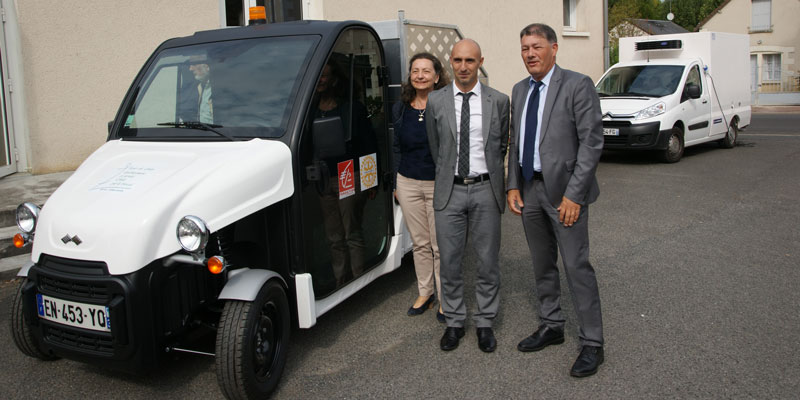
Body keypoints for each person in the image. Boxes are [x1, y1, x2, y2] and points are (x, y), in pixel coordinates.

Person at [506, 23, 605, 377]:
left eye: (536, 46)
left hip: (565, 193)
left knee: (576, 266)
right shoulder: (519, 90)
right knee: (542, 263)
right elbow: (516, 142)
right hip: (531, 190)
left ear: (554, 47)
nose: (530, 54)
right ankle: (552, 325)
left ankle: (592, 342)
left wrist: (574, 196)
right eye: (524, 48)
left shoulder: (577, 85)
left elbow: (591, 143)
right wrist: (513, 185)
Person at [425, 39, 509, 352]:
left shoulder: (499, 101)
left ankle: (485, 322)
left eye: (470, 61)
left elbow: (500, 147)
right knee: (449, 261)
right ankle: (455, 322)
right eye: (458, 60)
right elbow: (437, 148)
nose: (463, 67)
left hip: (486, 189)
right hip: (450, 190)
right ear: (451, 61)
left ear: (480, 62)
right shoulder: (436, 101)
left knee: (487, 261)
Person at [392, 53, 449, 322]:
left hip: (438, 183)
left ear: (437, 77)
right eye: (415, 70)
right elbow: (395, 147)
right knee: (420, 243)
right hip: (408, 183)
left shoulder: (445, 106)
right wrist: (395, 182)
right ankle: (425, 293)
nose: (420, 75)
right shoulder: (401, 108)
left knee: (440, 245)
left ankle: (446, 297)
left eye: (426, 71)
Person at [312, 59, 375, 287]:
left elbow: (369, 144)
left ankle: (359, 281)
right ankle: (341, 280)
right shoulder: (309, 109)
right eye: (317, 76)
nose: (320, 80)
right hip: (322, 178)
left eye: (324, 76)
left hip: (348, 172)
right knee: (333, 237)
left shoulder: (351, 108)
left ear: (335, 79)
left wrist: (370, 182)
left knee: (351, 232)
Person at [188, 56, 213, 123]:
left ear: (207, 67)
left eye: (194, 64)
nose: (190, 69)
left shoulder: (219, 87)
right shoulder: (200, 87)